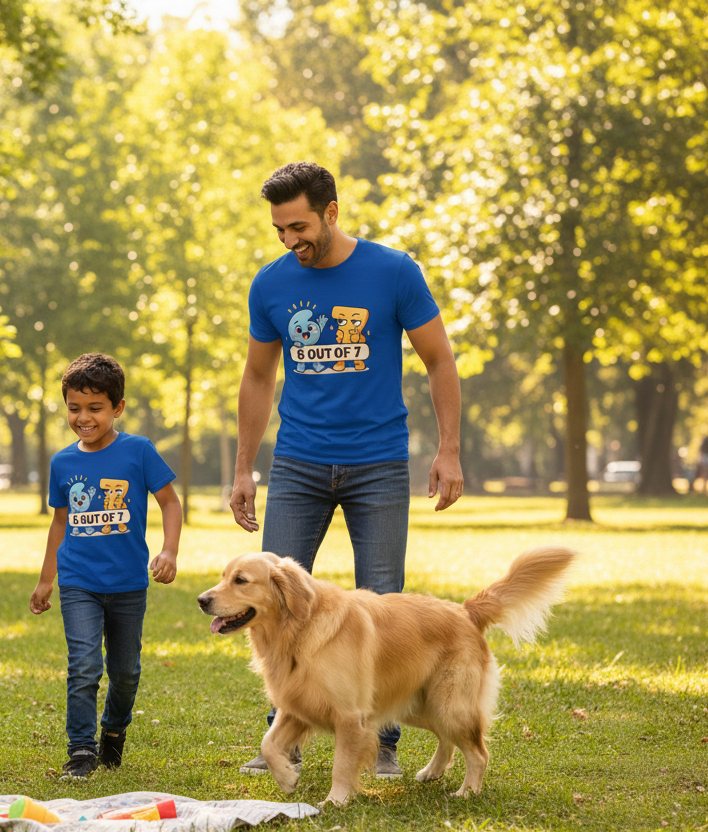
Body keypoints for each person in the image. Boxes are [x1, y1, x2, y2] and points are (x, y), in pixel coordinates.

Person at [230, 162, 463, 779]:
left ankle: (379, 743)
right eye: (280, 229)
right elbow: (257, 377)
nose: (289, 240)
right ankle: (282, 742)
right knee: (273, 599)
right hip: (299, 462)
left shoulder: (393, 272)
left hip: (379, 462)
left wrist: (449, 450)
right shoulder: (271, 285)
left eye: (299, 226)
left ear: (331, 212)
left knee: (383, 606)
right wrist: (243, 468)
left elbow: (439, 359)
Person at [29, 353, 182, 780]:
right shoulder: (62, 462)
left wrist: (169, 550)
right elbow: (60, 522)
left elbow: (169, 501)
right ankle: (81, 749)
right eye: (74, 408)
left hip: (129, 583)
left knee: (126, 672)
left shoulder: (138, 451)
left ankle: (113, 731)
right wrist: (46, 580)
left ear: (117, 408)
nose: (83, 417)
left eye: (95, 408)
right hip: (79, 582)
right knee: (83, 665)